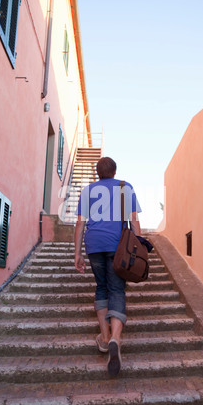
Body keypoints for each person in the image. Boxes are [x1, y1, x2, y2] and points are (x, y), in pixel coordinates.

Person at [74, 157, 141, 377]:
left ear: (97, 173)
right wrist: (138, 249)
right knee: (116, 289)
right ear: (114, 171)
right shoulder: (125, 187)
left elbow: (80, 223)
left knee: (101, 287)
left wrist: (77, 253)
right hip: (117, 246)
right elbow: (134, 221)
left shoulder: (87, 191)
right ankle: (115, 339)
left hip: (94, 245)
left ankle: (104, 339)